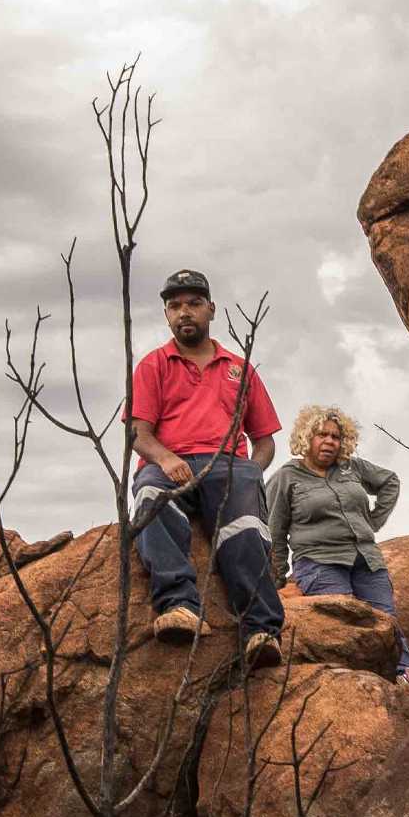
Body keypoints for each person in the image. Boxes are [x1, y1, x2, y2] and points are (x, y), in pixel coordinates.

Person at [128, 269, 287, 668]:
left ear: (211, 309)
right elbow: (137, 433)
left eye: (194, 303)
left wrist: (250, 471)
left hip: (227, 464)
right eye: (175, 305)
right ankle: (179, 607)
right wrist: (165, 458)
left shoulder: (240, 367)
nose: (185, 312)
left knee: (246, 526)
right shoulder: (153, 365)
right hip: (169, 463)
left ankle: (261, 630)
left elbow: (265, 439)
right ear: (166, 315)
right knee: (150, 495)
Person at [266, 404, 409, 686]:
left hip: (366, 560)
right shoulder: (286, 477)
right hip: (319, 562)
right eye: (321, 435)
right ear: (306, 438)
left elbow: (389, 481)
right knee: (343, 628)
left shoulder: (352, 468)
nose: (329, 442)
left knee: (387, 622)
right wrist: (276, 577)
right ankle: (355, 688)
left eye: (335, 437)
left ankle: (408, 679)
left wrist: (373, 522)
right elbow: (275, 531)